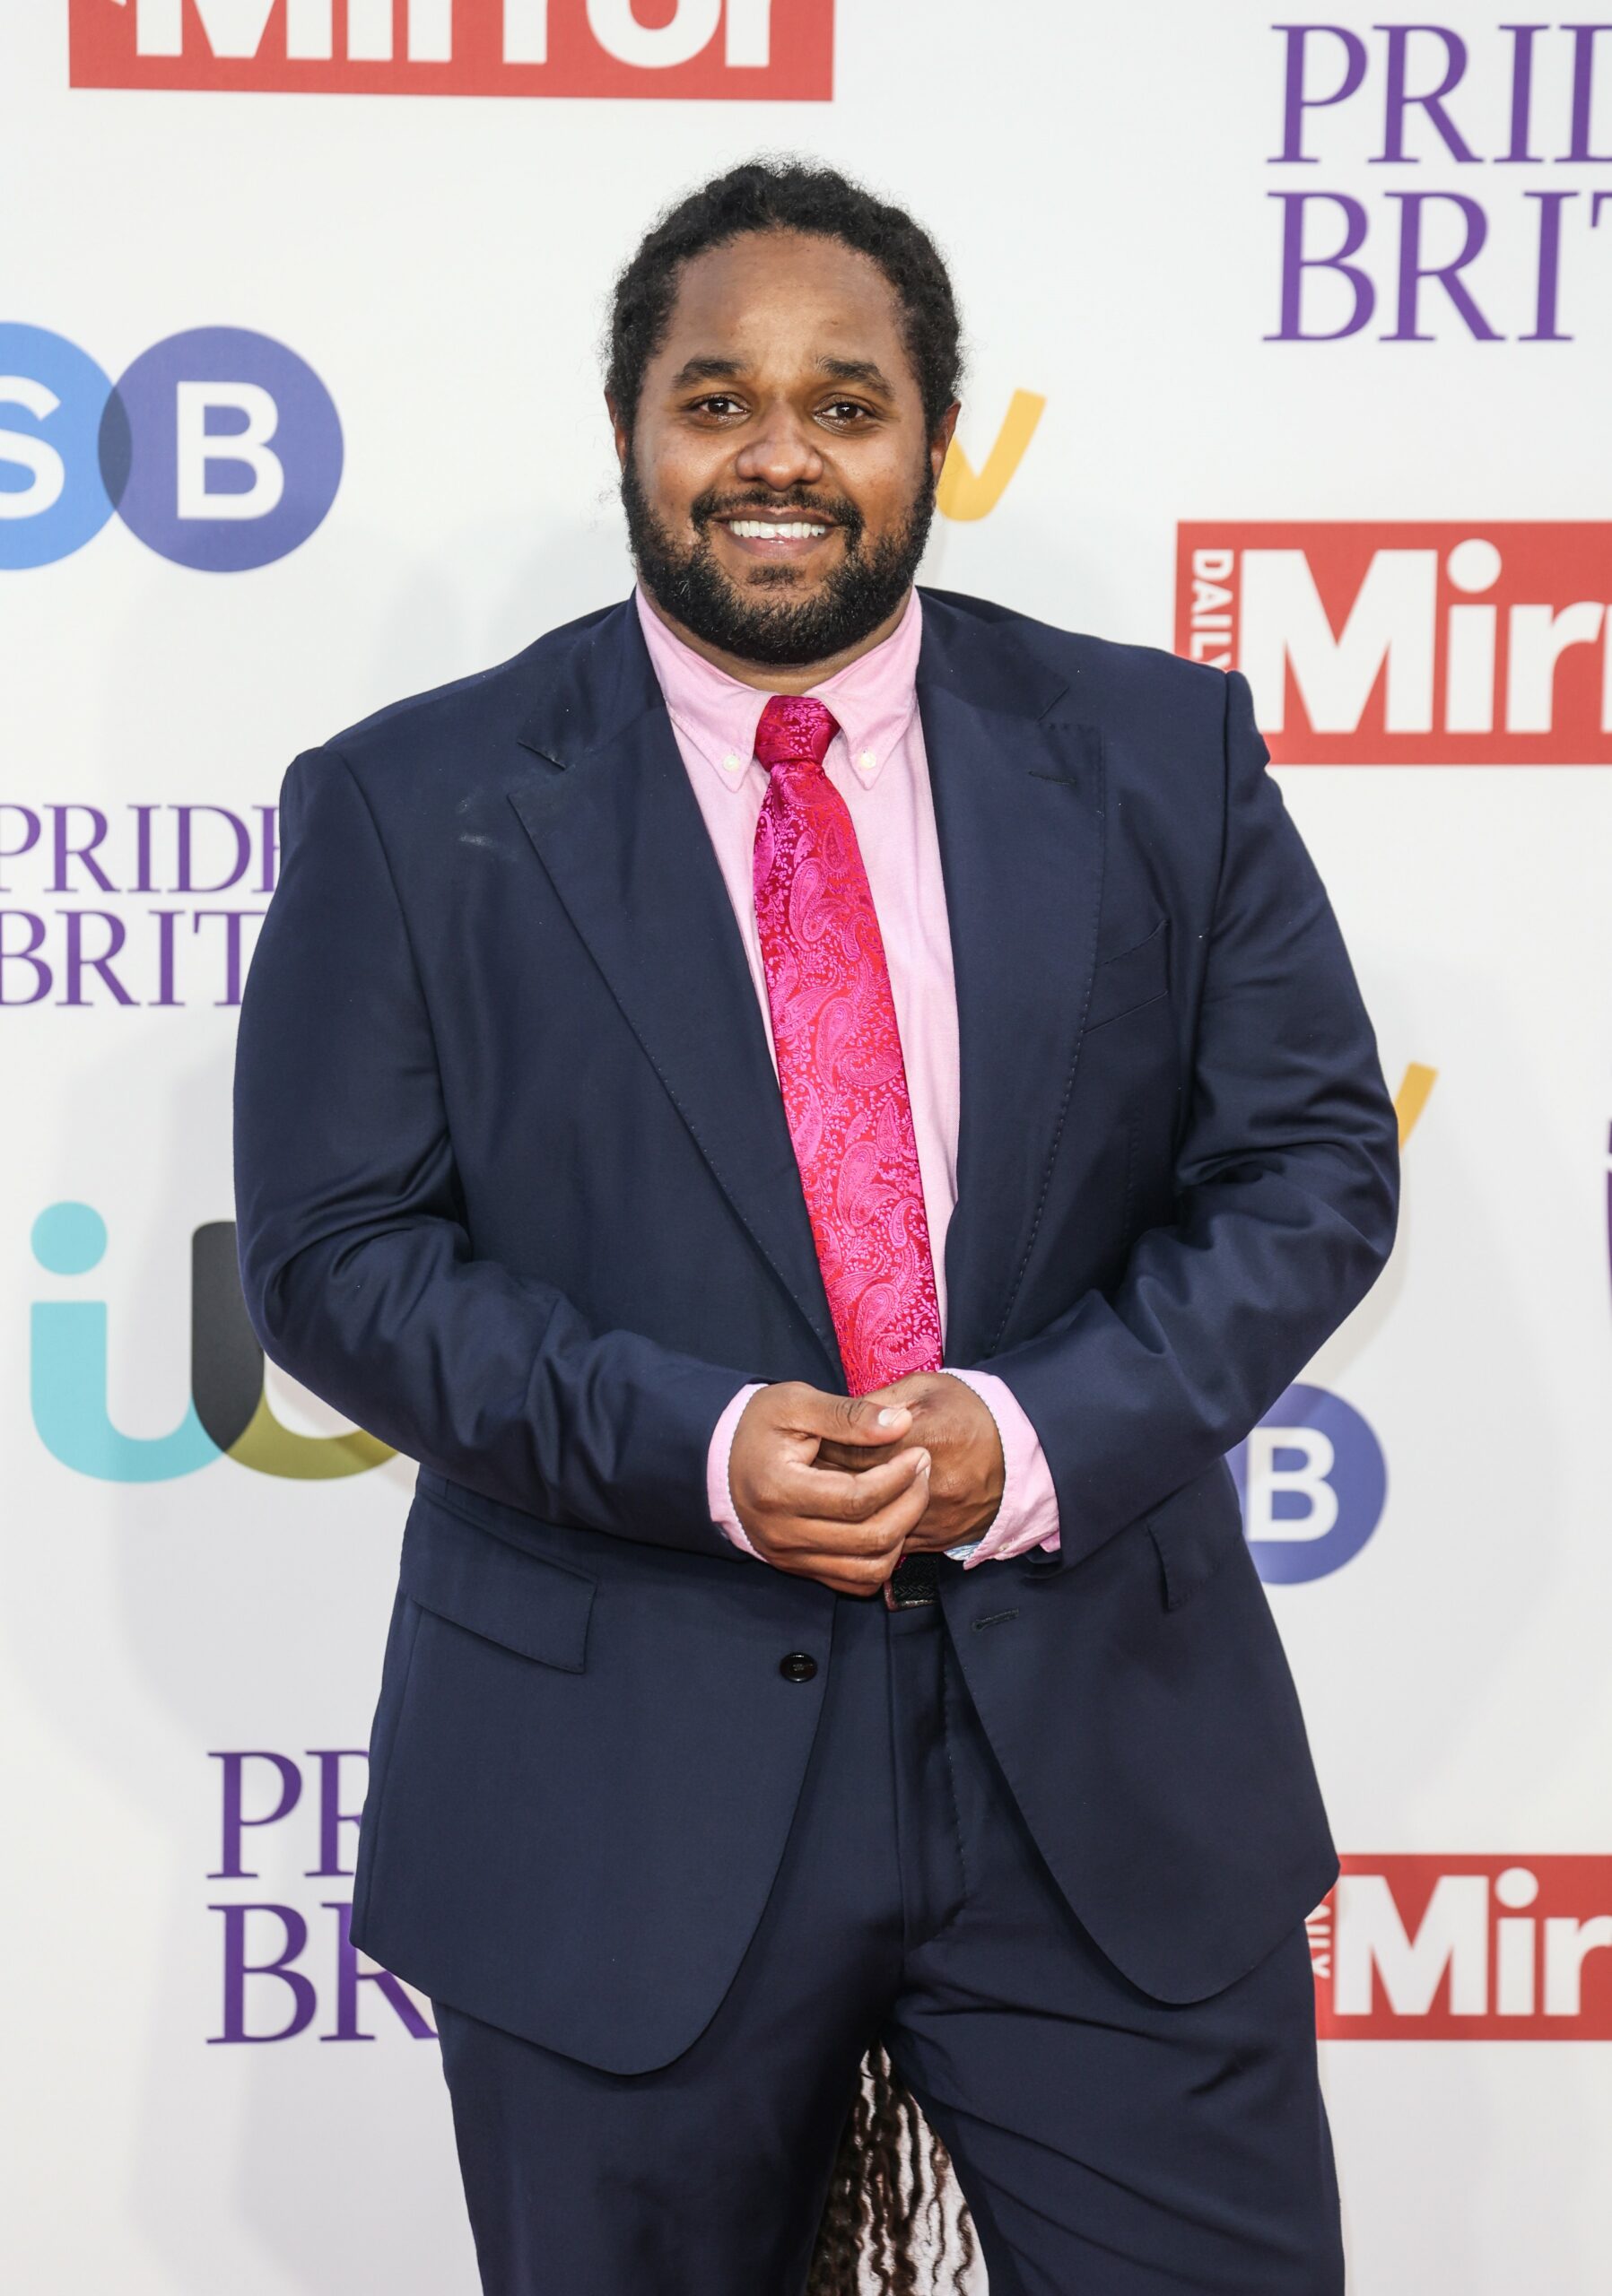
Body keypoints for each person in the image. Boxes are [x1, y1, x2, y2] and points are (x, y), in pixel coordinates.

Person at [233, 160, 1399, 2295]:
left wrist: (1022, 1435)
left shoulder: (1160, 754)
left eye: (843, 403)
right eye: (715, 399)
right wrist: (696, 1441)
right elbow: (333, 1251)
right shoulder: (412, 802)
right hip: (617, 1783)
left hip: (1102, 1778)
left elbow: (1310, 1163)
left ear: (928, 440)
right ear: (626, 434)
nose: (778, 452)